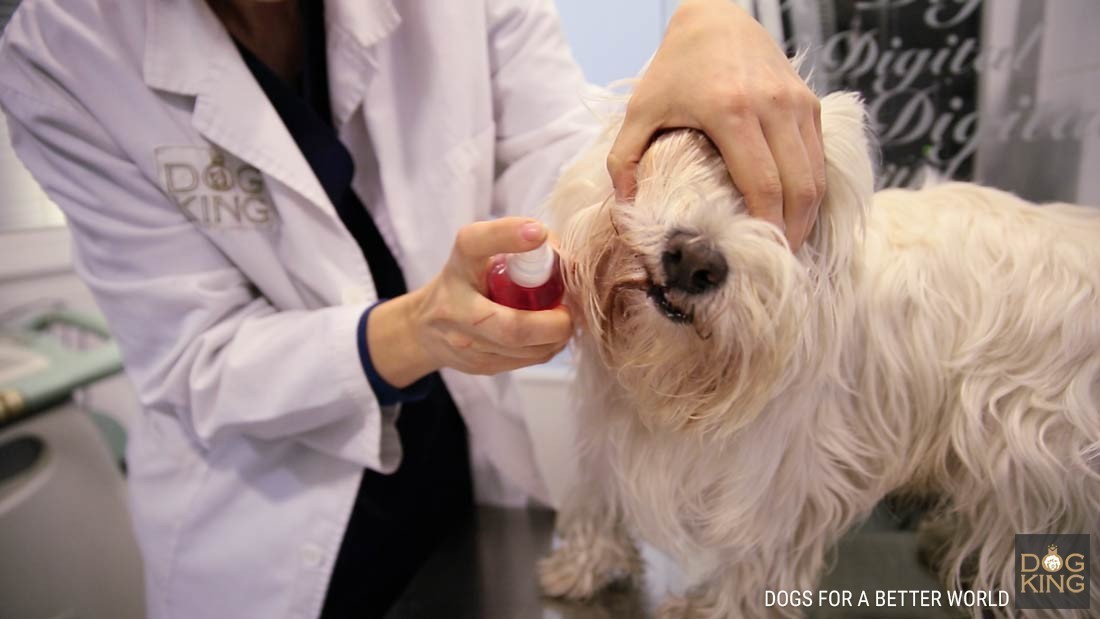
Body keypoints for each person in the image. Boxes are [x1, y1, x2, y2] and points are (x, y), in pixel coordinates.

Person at [0, 0, 824, 617]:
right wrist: (417, 328)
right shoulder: (61, 51)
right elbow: (194, 361)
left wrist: (708, 24)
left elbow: (563, 160)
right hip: (262, 518)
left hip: (463, 463)